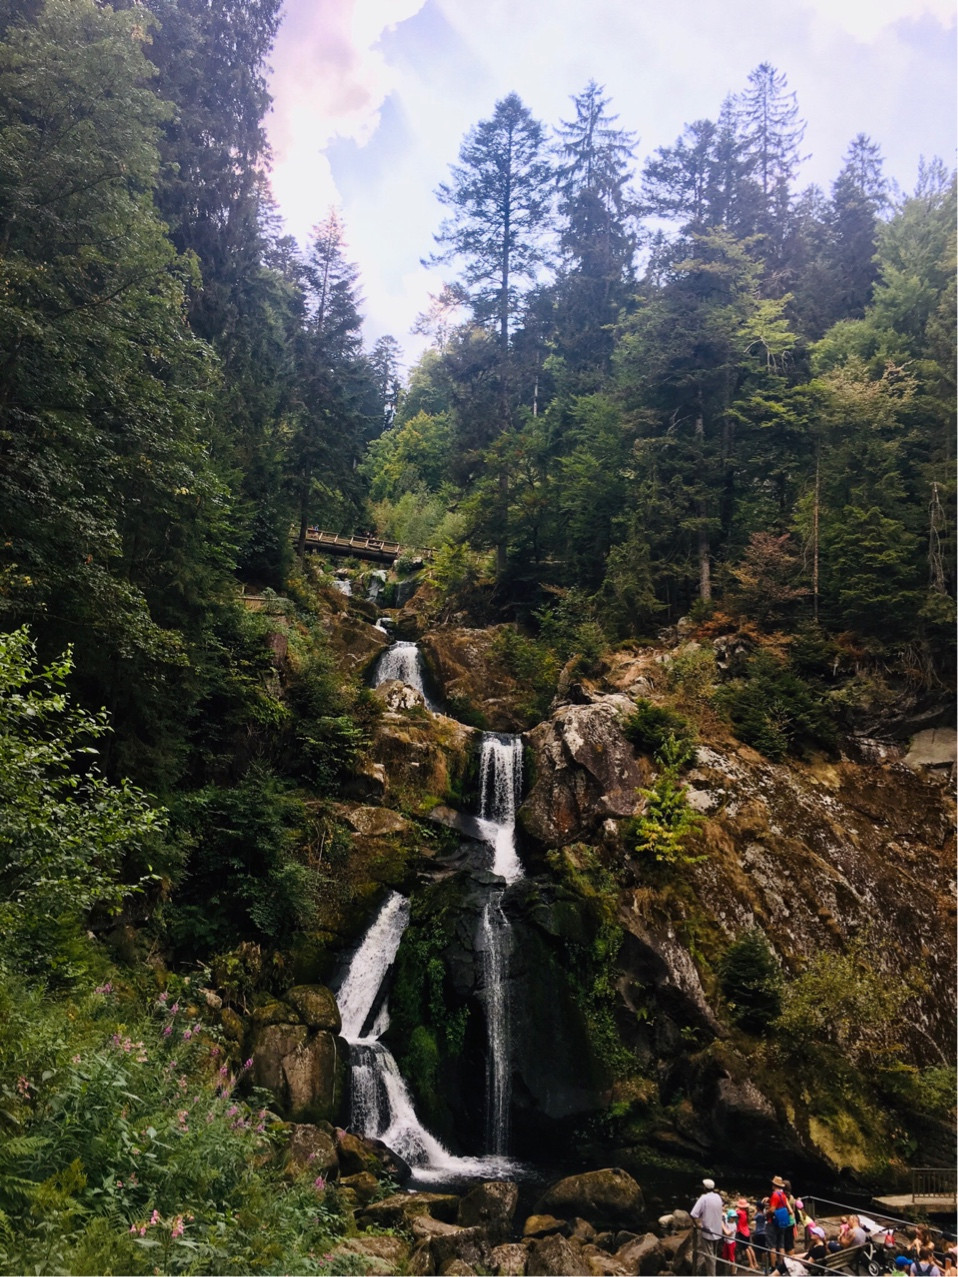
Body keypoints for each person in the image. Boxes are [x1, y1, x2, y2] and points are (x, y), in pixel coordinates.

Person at [691, 1177, 726, 1276]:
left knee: (709, 1258)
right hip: (717, 1231)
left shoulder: (704, 1198)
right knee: (713, 1256)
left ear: (705, 1188)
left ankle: (712, 1275)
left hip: (707, 1232)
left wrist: (697, 1225)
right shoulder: (718, 1197)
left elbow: (693, 1214)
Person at [768, 1176, 791, 1274]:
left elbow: (772, 1209)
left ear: (774, 1185)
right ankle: (782, 1266)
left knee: (772, 1245)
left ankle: (773, 1268)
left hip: (774, 1222)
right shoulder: (783, 1194)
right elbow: (787, 1208)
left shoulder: (775, 1195)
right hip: (783, 1222)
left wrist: (766, 1212)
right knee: (781, 1245)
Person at [736, 1197, 758, 1271]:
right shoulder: (746, 1212)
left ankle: (751, 1265)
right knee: (750, 1247)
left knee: (746, 1249)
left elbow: (733, 1213)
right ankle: (755, 1263)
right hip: (747, 1232)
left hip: (742, 1232)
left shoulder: (739, 1212)